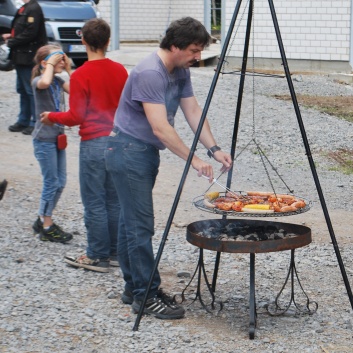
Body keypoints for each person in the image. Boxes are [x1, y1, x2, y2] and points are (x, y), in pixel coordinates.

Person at [104, 17, 232, 320]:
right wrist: (195, 161)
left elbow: (192, 110)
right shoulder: (151, 72)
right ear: (174, 46)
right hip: (127, 150)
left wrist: (213, 149)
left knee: (129, 224)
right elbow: (161, 128)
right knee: (140, 227)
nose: (198, 56)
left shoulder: (180, 70)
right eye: (193, 50)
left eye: (200, 50)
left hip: (141, 152)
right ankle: (146, 296)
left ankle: (133, 288)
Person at [41, 18, 128, 272]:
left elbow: (76, 116)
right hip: (118, 140)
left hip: (93, 144)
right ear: (108, 41)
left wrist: (51, 117)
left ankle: (96, 255)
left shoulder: (82, 75)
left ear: (83, 41)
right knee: (114, 200)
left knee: (94, 201)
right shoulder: (120, 70)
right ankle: (113, 252)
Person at [31, 44, 73, 243]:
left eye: (62, 57)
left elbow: (77, 90)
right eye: (56, 58)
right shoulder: (39, 80)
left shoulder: (58, 80)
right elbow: (45, 81)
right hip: (44, 140)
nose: (60, 61)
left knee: (61, 181)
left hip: (57, 138)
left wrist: (69, 69)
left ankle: (42, 218)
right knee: (52, 182)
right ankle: (47, 224)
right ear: (44, 63)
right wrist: (50, 64)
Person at [3, 0, 47, 135]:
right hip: (21, 56)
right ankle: (23, 120)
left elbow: (31, 33)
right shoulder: (25, 8)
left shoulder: (33, 8)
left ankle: (35, 122)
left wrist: (12, 41)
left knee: (30, 90)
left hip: (29, 57)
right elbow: (23, 29)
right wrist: (12, 35)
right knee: (22, 89)